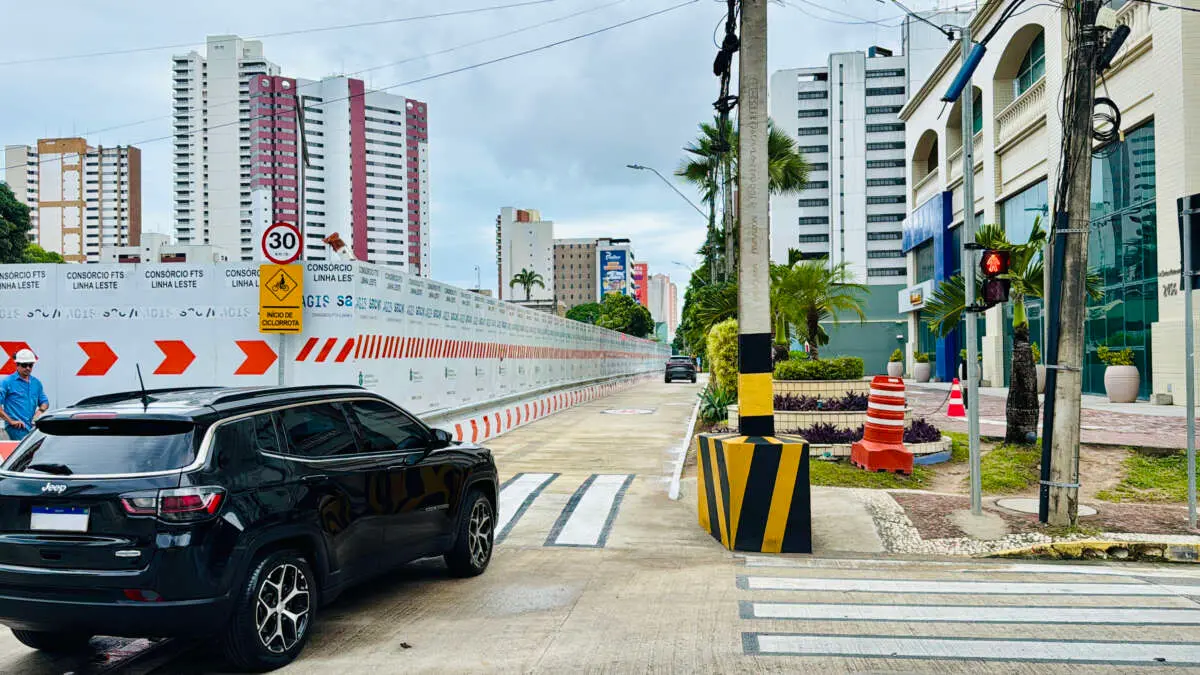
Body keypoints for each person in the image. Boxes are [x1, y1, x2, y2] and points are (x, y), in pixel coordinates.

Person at [0, 349, 49, 442]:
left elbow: (44, 402)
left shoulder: (36, 383)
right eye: (24, 365)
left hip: (32, 429)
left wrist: (39, 412)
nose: (28, 368)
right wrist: (10, 421)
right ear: (17, 365)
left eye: (30, 365)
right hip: (16, 429)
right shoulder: (7, 382)